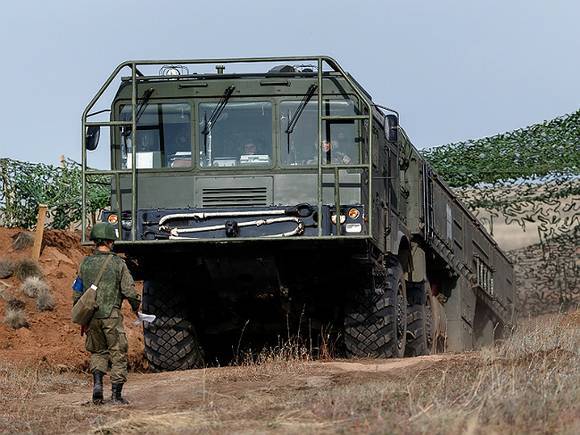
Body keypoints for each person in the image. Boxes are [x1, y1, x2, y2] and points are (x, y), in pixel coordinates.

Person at [73, 222, 141, 405]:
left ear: (94, 241)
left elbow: (77, 291)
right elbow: (129, 291)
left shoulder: (85, 263)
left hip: (92, 317)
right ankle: (116, 396)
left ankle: (97, 387)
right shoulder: (118, 263)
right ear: (111, 241)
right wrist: (137, 307)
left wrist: (82, 316)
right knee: (118, 352)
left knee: (97, 352)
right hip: (111, 315)